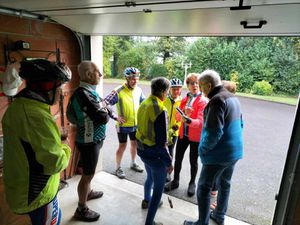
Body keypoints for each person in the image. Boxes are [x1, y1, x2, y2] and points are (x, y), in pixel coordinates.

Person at [2, 59, 72, 225]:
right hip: (37, 195)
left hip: (23, 189)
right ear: (46, 87)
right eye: (59, 87)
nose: (60, 92)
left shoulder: (20, 106)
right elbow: (55, 163)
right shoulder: (36, 116)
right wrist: (66, 147)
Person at [183, 70, 243, 225]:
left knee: (203, 187)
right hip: (235, 152)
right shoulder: (233, 98)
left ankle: (201, 223)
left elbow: (213, 133)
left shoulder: (216, 101)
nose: (201, 90)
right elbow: (241, 125)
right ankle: (219, 216)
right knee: (225, 184)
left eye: (202, 87)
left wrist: (201, 150)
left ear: (209, 85)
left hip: (220, 155)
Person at [69, 61, 113, 222]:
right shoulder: (83, 94)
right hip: (89, 141)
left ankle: (88, 192)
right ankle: (81, 209)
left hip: (92, 139)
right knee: (87, 175)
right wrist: (105, 111)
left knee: (90, 173)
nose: (100, 75)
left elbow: (106, 108)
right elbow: (102, 117)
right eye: (98, 72)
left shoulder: (88, 92)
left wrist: (105, 109)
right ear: (88, 75)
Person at [136, 77, 173, 225]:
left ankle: (146, 201)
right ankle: (149, 222)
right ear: (164, 91)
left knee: (150, 177)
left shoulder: (145, 102)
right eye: (167, 91)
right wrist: (169, 162)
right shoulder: (160, 109)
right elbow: (161, 143)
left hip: (141, 149)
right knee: (158, 190)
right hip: (154, 154)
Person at [165, 73, 207, 197]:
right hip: (183, 135)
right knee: (178, 158)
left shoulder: (203, 101)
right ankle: (176, 181)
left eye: (197, 83)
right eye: (192, 83)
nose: (195, 85)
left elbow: (200, 122)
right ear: (188, 86)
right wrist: (184, 113)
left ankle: (192, 183)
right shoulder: (185, 99)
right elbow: (178, 117)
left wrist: (188, 120)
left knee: (193, 161)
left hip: (195, 137)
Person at [105, 67, 145, 179]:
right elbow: (105, 102)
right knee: (122, 146)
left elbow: (144, 103)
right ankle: (118, 167)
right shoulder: (119, 90)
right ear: (127, 78)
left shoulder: (139, 90)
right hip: (123, 125)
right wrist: (115, 116)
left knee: (134, 144)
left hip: (136, 124)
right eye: (132, 78)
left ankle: (133, 163)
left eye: (137, 78)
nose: (135, 81)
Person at [210, 79, 237, 209]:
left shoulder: (222, 104)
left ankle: (216, 208)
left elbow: (216, 132)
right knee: (225, 182)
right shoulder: (236, 104)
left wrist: (205, 150)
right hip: (234, 150)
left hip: (224, 151)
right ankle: (220, 212)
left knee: (214, 181)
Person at [163, 77, 183, 182]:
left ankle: (168, 172)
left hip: (174, 132)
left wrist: (178, 126)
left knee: (170, 151)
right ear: (169, 89)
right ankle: (160, 169)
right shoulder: (164, 99)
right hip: (163, 130)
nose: (176, 91)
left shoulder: (182, 101)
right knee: (161, 150)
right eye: (174, 89)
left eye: (178, 89)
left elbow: (185, 117)